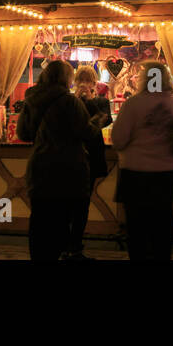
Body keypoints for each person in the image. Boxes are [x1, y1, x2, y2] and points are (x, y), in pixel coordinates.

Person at [17, 60, 93, 261]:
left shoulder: (31, 99)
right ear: (66, 79)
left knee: (40, 219)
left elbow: (23, 133)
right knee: (61, 219)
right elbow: (86, 132)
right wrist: (98, 120)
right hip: (67, 168)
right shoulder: (70, 102)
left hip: (40, 166)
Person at [110, 60, 173, 260]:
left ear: (143, 79)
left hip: (136, 173)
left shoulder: (133, 104)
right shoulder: (171, 104)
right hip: (166, 173)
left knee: (137, 228)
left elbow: (118, 139)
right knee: (162, 225)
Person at [65, 65, 112, 260]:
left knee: (82, 204)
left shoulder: (101, 102)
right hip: (69, 157)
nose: (84, 84)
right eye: (80, 80)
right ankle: (67, 246)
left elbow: (105, 121)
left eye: (88, 81)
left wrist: (90, 101)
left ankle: (75, 246)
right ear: (75, 82)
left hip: (91, 157)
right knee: (68, 204)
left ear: (95, 83)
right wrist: (77, 100)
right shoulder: (69, 102)